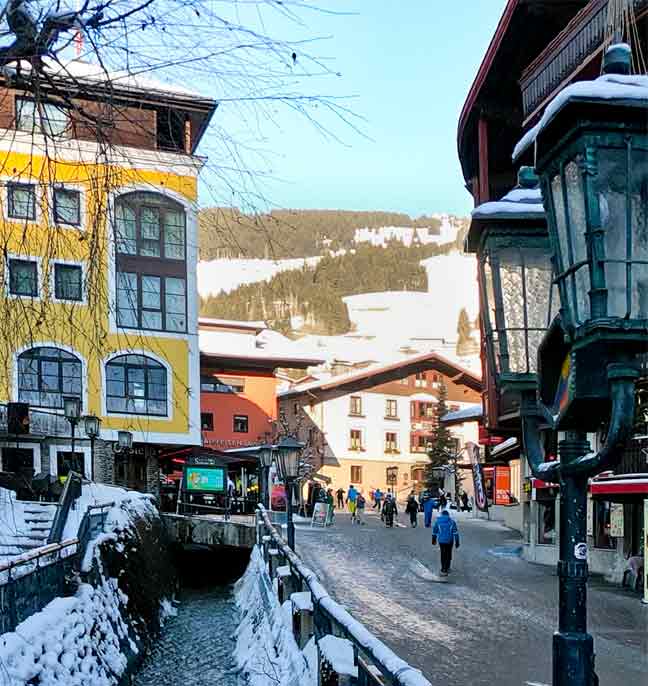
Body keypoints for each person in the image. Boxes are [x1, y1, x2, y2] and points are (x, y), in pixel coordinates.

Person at [432, 509, 460, 576]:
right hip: (450, 541)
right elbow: (455, 533)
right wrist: (457, 542)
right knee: (449, 553)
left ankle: (443, 569)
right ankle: (447, 567)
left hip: (441, 541)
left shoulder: (438, 522)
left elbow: (434, 531)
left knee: (443, 554)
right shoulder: (452, 522)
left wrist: (434, 539)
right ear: (448, 515)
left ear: (442, 515)